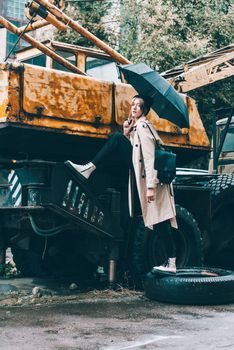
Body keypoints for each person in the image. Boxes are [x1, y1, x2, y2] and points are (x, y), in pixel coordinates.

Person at [65, 95, 177, 272]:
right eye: (132, 104)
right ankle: (171, 263)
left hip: (154, 182)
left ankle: (171, 263)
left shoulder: (143, 126)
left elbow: (149, 158)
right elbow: (135, 151)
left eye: (138, 106)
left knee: (161, 222)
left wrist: (150, 187)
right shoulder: (137, 127)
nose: (134, 108)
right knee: (159, 222)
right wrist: (127, 132)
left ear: (144, 110)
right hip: (143, 175)